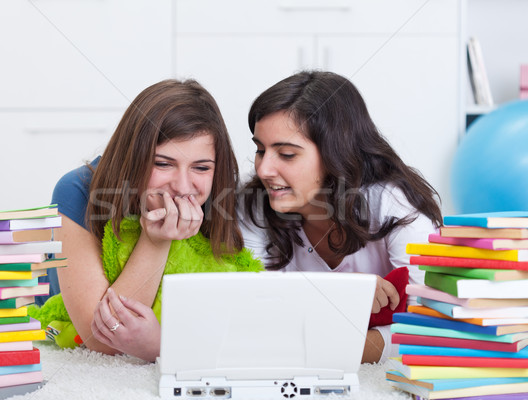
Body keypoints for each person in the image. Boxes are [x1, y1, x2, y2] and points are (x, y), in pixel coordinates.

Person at [29, 79, 261, 362]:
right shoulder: (79, 189)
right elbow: (102, 337)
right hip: (50, 311)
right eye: (163, 164)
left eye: (200, 167)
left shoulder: (217, 193)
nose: (183, 186)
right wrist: (156, 241)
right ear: (133, 157)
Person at [240, 71, 442, 364]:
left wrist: (324, 343)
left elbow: (437, 329)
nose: (264, 170)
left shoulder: (394, 204)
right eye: (260, 150)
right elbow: (252, 316)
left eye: (286, 154)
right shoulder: (254, 205)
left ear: (336, 152)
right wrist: (342, 294)